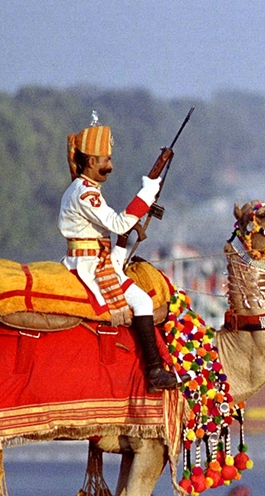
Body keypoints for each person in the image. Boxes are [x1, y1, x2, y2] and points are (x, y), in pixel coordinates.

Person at [60, 113, 179, 391]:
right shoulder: (84, 193)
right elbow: (116, 222)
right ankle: (153, 371)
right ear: (91, 162)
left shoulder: (89, 190)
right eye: (106, 161)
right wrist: (148, 191)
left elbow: (112, 231)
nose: (110, 167)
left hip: (97, 260)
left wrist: (122, 240)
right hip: (88, 266)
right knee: (143, 303)